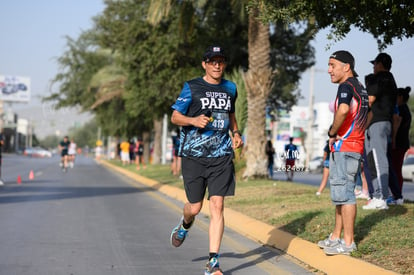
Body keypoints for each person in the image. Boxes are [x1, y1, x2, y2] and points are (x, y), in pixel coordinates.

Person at [169, 45, 243, 275]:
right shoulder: (192, 87)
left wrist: (237, 133)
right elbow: (175, 116)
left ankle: (213, 262)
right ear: (205, 64)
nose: (217, 65)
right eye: (212, 61)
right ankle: (184, 224)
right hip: (194, 156)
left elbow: (231, 116)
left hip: (221, 156)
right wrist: (193, 121)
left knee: (217, 205)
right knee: (195, 207)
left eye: (220, 61)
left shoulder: (230, 88)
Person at [317, 50, 368, 255]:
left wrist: (332, 131)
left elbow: (344, 110)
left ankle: (348, 243)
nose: (329, 70)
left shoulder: (346, 86)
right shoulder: (360, 87)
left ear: (346, 67)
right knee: (340, 194)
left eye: (332, 65)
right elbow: (367, 114)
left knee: (346, 196)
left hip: (346, 147)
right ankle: (335, 237)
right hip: (351, 146)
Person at [363, 53, 397, 210]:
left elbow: (369, 99)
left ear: (381, 63)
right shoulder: (388, 79)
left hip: (380, 123)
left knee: (378, 160)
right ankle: (377, 196)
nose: (373, 66)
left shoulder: (383, 77)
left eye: (375, 63)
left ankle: (382, 197)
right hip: (374, 123)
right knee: (371, 161)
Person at [389, 86, 412, 204]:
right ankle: (396, 194)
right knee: (396, 169)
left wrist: (393, 139)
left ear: (400, 97)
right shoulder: (405, 109)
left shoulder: (401, 109)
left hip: (398, 144)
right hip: (402, 143)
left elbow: (396, 124)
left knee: (395, 170)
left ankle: (397, 195)